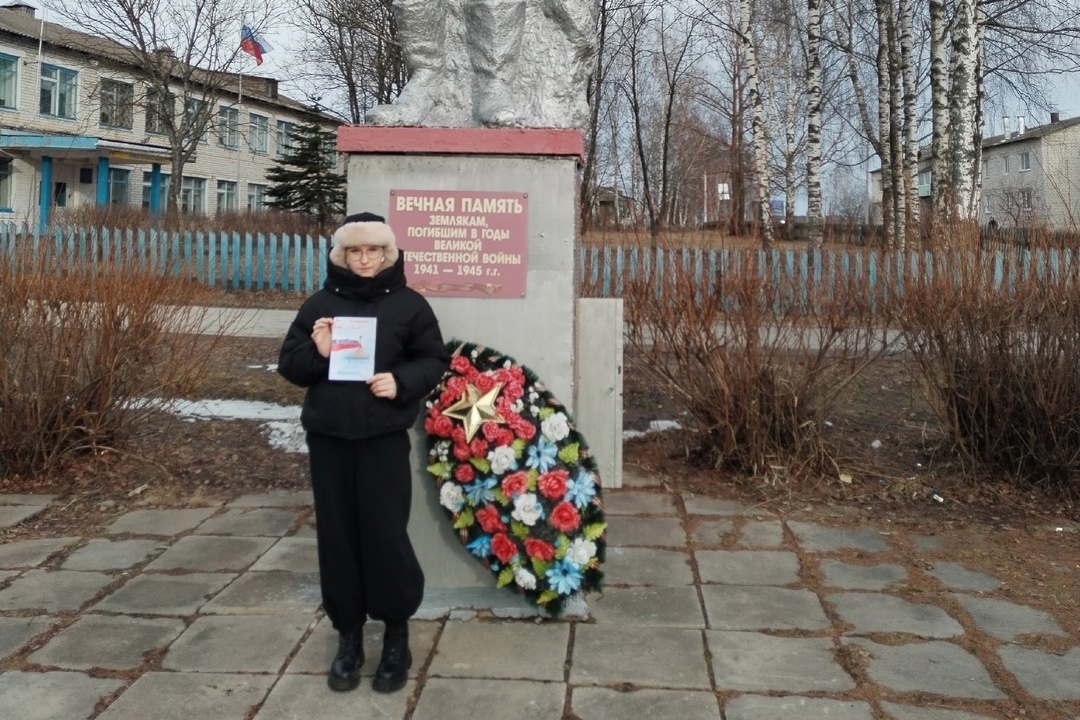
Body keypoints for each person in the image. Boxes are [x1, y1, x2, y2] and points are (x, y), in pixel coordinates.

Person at [278, 212, 450, 693]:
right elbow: (290, 366)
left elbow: (434, 359)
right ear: (342, 256)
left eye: (373, 250)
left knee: (384, 534)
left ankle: (396, 635)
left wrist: (401, 382)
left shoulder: (411, 306)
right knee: (338, 538)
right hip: (330, 439)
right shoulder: (320, 305)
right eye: (355, 251)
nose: (365, 259)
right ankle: (348, 637)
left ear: (388, 253)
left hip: (381, 439)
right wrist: (321, 351)